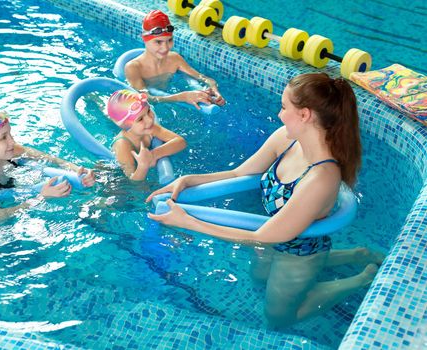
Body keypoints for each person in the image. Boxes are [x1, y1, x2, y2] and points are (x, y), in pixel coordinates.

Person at [147, 73, 384, 327]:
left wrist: (188, 222)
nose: (280, 114)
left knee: (278, 319)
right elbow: (240, 173)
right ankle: (356, 253)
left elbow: (261, 236)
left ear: (305, 115)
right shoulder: (286, 138)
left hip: (298, 253)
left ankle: (362, 279)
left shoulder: (322, 177)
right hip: (274, 235)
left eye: (284, 107)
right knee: (258, 280)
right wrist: (189, 179)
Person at [0, 104, 96, 221]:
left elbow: (52, 160)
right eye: (3, 138)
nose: (12, 141)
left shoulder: (14, 150)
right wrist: (41, 198)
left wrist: (77, 169)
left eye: (10, 134)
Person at [124, 9, 226, 110]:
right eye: (158, 42)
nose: (165, 47)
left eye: (169, 40)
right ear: (144, 39)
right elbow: (146, 100)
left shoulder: (174, 58)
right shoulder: (133, 68)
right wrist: (183, 97)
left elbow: (205, 79)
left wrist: (214, 91)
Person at [107, 89, 186, 181]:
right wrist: (143, 166)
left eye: (148, 111)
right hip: (115, 176)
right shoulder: (123, 145)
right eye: (140, 119)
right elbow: (132, 181)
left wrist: (154, 154)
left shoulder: (149, 127)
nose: (149, 120)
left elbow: (181, 142)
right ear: (126, 125)